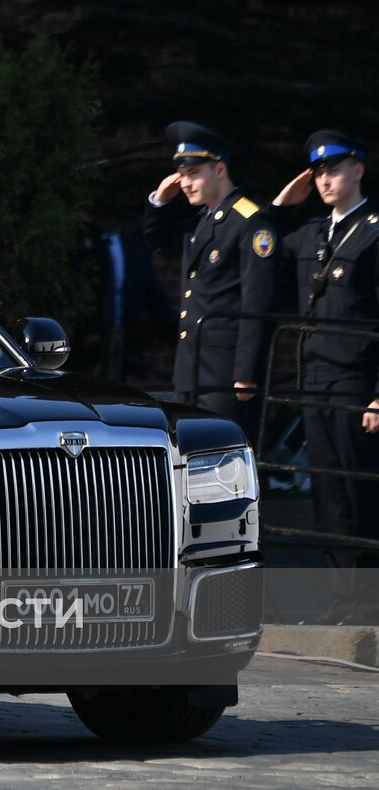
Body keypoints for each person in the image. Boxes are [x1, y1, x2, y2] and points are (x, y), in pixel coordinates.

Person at [271, 131, 379, 620]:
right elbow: (265, 240)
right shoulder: (313, 233)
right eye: (317, 173)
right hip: (315, 376)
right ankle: (340, 596)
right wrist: (285, 198)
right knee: (327, 492)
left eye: (334, 169)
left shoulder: (375, 231)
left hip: (357, 379)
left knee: (360, 489)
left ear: (358, 169)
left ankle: (366, 599)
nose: (324, 180)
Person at [142, 121, 279, 440]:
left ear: (219, 170)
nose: (186, 184)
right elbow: (158, 243)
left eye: (193, 174)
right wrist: (160, 202)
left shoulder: (250, 222)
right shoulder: (201, 222)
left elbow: (257, 303)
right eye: (183, 175)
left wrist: (245, 374)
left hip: (225, 373)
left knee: (224, 464)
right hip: (191, 369)